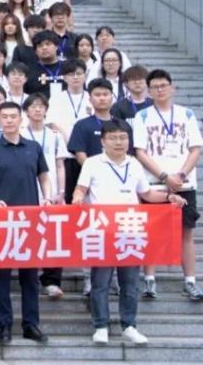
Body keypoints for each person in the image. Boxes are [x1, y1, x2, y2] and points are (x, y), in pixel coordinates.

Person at [73, 121, 186, 346]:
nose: (118, 142)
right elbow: (81, 189)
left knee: (131, 282)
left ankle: (129, 325)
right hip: (103, 230)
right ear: (103, 141)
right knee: (100, 282)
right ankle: (101, 326)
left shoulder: (134, 164)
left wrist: (168, 197)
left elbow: (146, 194)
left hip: (130, 229)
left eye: (123, 137)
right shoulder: (93, 163)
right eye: (113, 138)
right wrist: (77, 198)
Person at [0, 101, 51, 344]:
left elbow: (44, 176)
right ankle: (5, 324)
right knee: (1, 276)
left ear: (21, 119)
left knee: (30, 276)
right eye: (5, 117)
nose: (9, 120)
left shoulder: (33, 147)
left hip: (30, 220)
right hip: (3, 221)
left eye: (13, 116)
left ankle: (31, 324)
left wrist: (47, 198)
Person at [133, 69, 203, 300]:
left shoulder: (187, 114)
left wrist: (180, 174)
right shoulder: (143, 116)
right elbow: (140, 152)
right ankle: (149, 279)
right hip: (154, 183)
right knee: (151, 232)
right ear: (149, 91)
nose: (160, 90)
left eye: (163, 85)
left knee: (186, 232)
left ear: (172, 88)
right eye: (154, 87)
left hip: (184, 183)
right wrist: (165, 176)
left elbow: (195, 149)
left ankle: (190, 281)